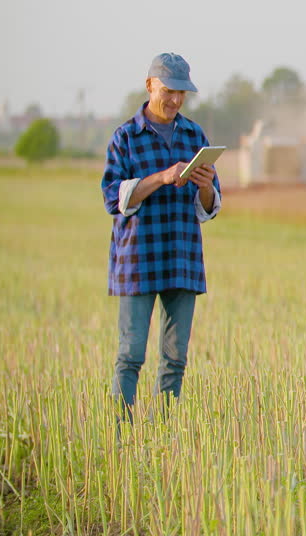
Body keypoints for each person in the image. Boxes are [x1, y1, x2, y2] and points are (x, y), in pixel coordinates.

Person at [101, 53, 221, 419]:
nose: (175, 100)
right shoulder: (125, 137)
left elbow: (209, 206)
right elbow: (113, 197)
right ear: (150, 85)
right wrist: (162, 177)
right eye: (169, 90)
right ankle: (120, 435)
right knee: (130, 356)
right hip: (138, 261)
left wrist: (203, 186)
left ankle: (162, 437)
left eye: (182, 93)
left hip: (181, 258)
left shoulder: (194, 135)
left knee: (175, 359)